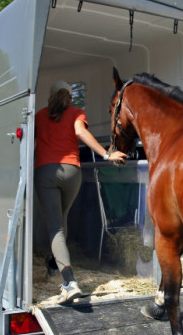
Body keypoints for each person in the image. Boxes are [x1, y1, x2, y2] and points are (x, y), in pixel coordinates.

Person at [34, 80, 127, 304]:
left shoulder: (39, 115)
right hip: (72, 172)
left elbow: (34, 145)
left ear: (50, 97)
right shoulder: (76, 112)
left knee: (55, 227)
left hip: (46, 171)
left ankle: (69, 283)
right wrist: (106, 155)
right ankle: (53, 260)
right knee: (62, 221)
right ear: (70, 98)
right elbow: (80, 133)